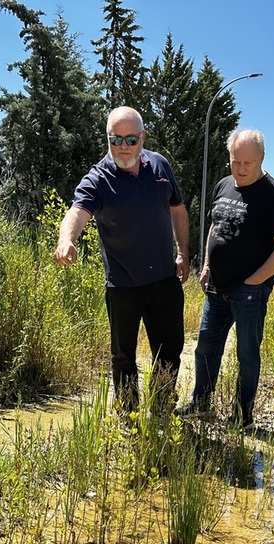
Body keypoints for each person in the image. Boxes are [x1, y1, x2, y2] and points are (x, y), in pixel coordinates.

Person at [56, 106, 190, 416]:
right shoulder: (98, 178)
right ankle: (128, 417)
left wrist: (182, 253)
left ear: (143, 137)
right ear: (107, 139)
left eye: (131, 139)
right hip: (123, 286)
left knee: (169, 352)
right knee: (123, 357)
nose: (123, 147)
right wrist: (67, 239)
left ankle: (162, 411)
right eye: (115, 140)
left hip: (164, 282)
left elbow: (178, 209)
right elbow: (77, 212)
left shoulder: (160, 166)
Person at [180, 128, 274, 429]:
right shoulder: (222, 186)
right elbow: (214, 230)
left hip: (249, 293)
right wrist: (206, 266)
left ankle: (243, 416)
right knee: (205, 347)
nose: (241, 169)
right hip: (216, 287)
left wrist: (255, 281)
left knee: (246, 354)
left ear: (262, 159)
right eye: (235, 162)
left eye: (248, 163)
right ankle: (200, 403)